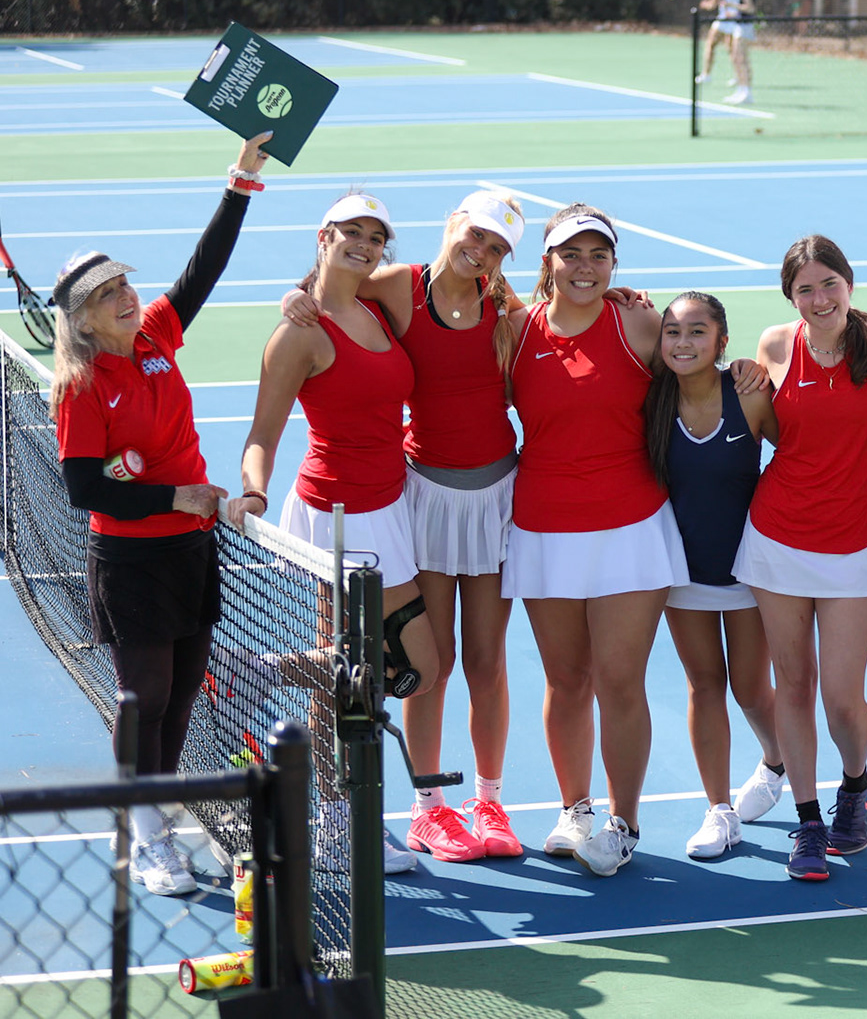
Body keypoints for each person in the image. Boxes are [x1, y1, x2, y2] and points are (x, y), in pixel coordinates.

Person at [279, 191, 530, 864]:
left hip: (494, 497)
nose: (481, 252)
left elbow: (564, 319)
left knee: (486, 660)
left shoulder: (507, 310)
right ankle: (428, 807)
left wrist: (630, 300)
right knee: (430, 663)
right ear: (452, 226)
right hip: (418, 497)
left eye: (497, 247)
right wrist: (295, 296)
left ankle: (489, 800)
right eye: (475, 235)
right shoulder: (397, 287)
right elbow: (332, 285)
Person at [52, 132, 269, 895]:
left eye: (124, 284)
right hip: (132, 558)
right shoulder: (82, 386)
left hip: (192, 547)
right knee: (142, 699)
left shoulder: (154, 339)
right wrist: (174, 495)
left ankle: (155, 811)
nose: (126, 295)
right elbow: (84, 488)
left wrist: (240, 182)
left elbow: (201, 272)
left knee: (182, 695)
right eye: (108, 292)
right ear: (82, 318)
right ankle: (144, 836)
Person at [229, 189, 437, 876]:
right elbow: (261, 434)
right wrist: (254, 487)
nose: (365, 243)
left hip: (391, 504)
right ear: (324, 235)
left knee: (383, 668)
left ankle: (259, 674)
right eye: (352, 231)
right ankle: (340, 822)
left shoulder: (377, 308)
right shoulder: (300, 331)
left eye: (375, 236)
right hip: (337, 517)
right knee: (366, 669)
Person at [503, 205, 685, 878]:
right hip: (544, 527)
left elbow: (698, 363)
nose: (584, 267)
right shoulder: (513, 329)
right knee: (566, 678)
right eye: (569, 254)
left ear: (614, 264)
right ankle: (573, 807)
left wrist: (749, 375)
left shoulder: (637, 320)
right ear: (547, 260)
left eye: (597, 255)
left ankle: (622, 822)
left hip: (631, 526)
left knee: (618, 679)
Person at [737, 235, 867, 881]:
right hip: (778, 537)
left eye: (828, 283)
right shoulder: (776, 346)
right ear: (790, 297)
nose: (818, 298)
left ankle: (857, 784)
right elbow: (781, 433)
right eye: (804, 288)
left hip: (856, 542)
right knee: (795, 685)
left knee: (841, 697)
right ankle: (808, 823)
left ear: (849, 284)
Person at [644, 292, 787, 861]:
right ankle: (719, 810)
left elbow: (802, 454)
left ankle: (776, 763)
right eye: (673, 332)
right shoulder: (651, 399)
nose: (684, 343)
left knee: (750, 687)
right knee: (705, 683)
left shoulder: (750, 396)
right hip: (682, 568)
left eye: (698, 332)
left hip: (749, 567)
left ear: (722, 342)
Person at [697, 0, 757, 105]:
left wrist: (732, 5)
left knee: (740, 57)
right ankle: (741, 89)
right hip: (737, 23)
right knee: (736, 56)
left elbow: (750, 8)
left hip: (744, 25)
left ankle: (746, 91)